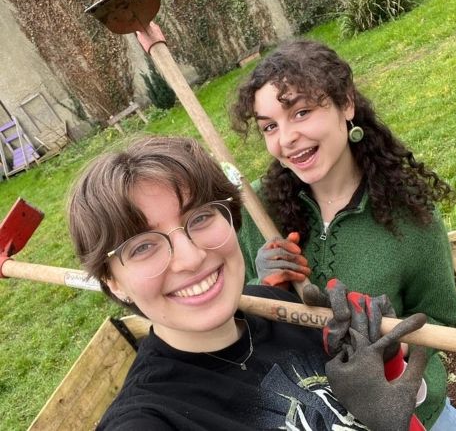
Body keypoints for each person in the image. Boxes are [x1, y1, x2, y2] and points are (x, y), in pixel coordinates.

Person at [68, 135, 427, 430]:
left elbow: (394, 408)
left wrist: (386, 362)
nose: (191, 258)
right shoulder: (151, 419)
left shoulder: (280, 308)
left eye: (200, 217)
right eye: (143, 246)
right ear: (112, 281)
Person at [231, 39, 456, 429]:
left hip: (410, 417)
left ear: (346, 105)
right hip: (315, 418)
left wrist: (389, 347)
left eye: (301, 112)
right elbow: (238, 329)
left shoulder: (409, 215)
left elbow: (444, 320)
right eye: (269, 126)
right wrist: (260, 285)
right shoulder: (259, 211)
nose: (285, 139)